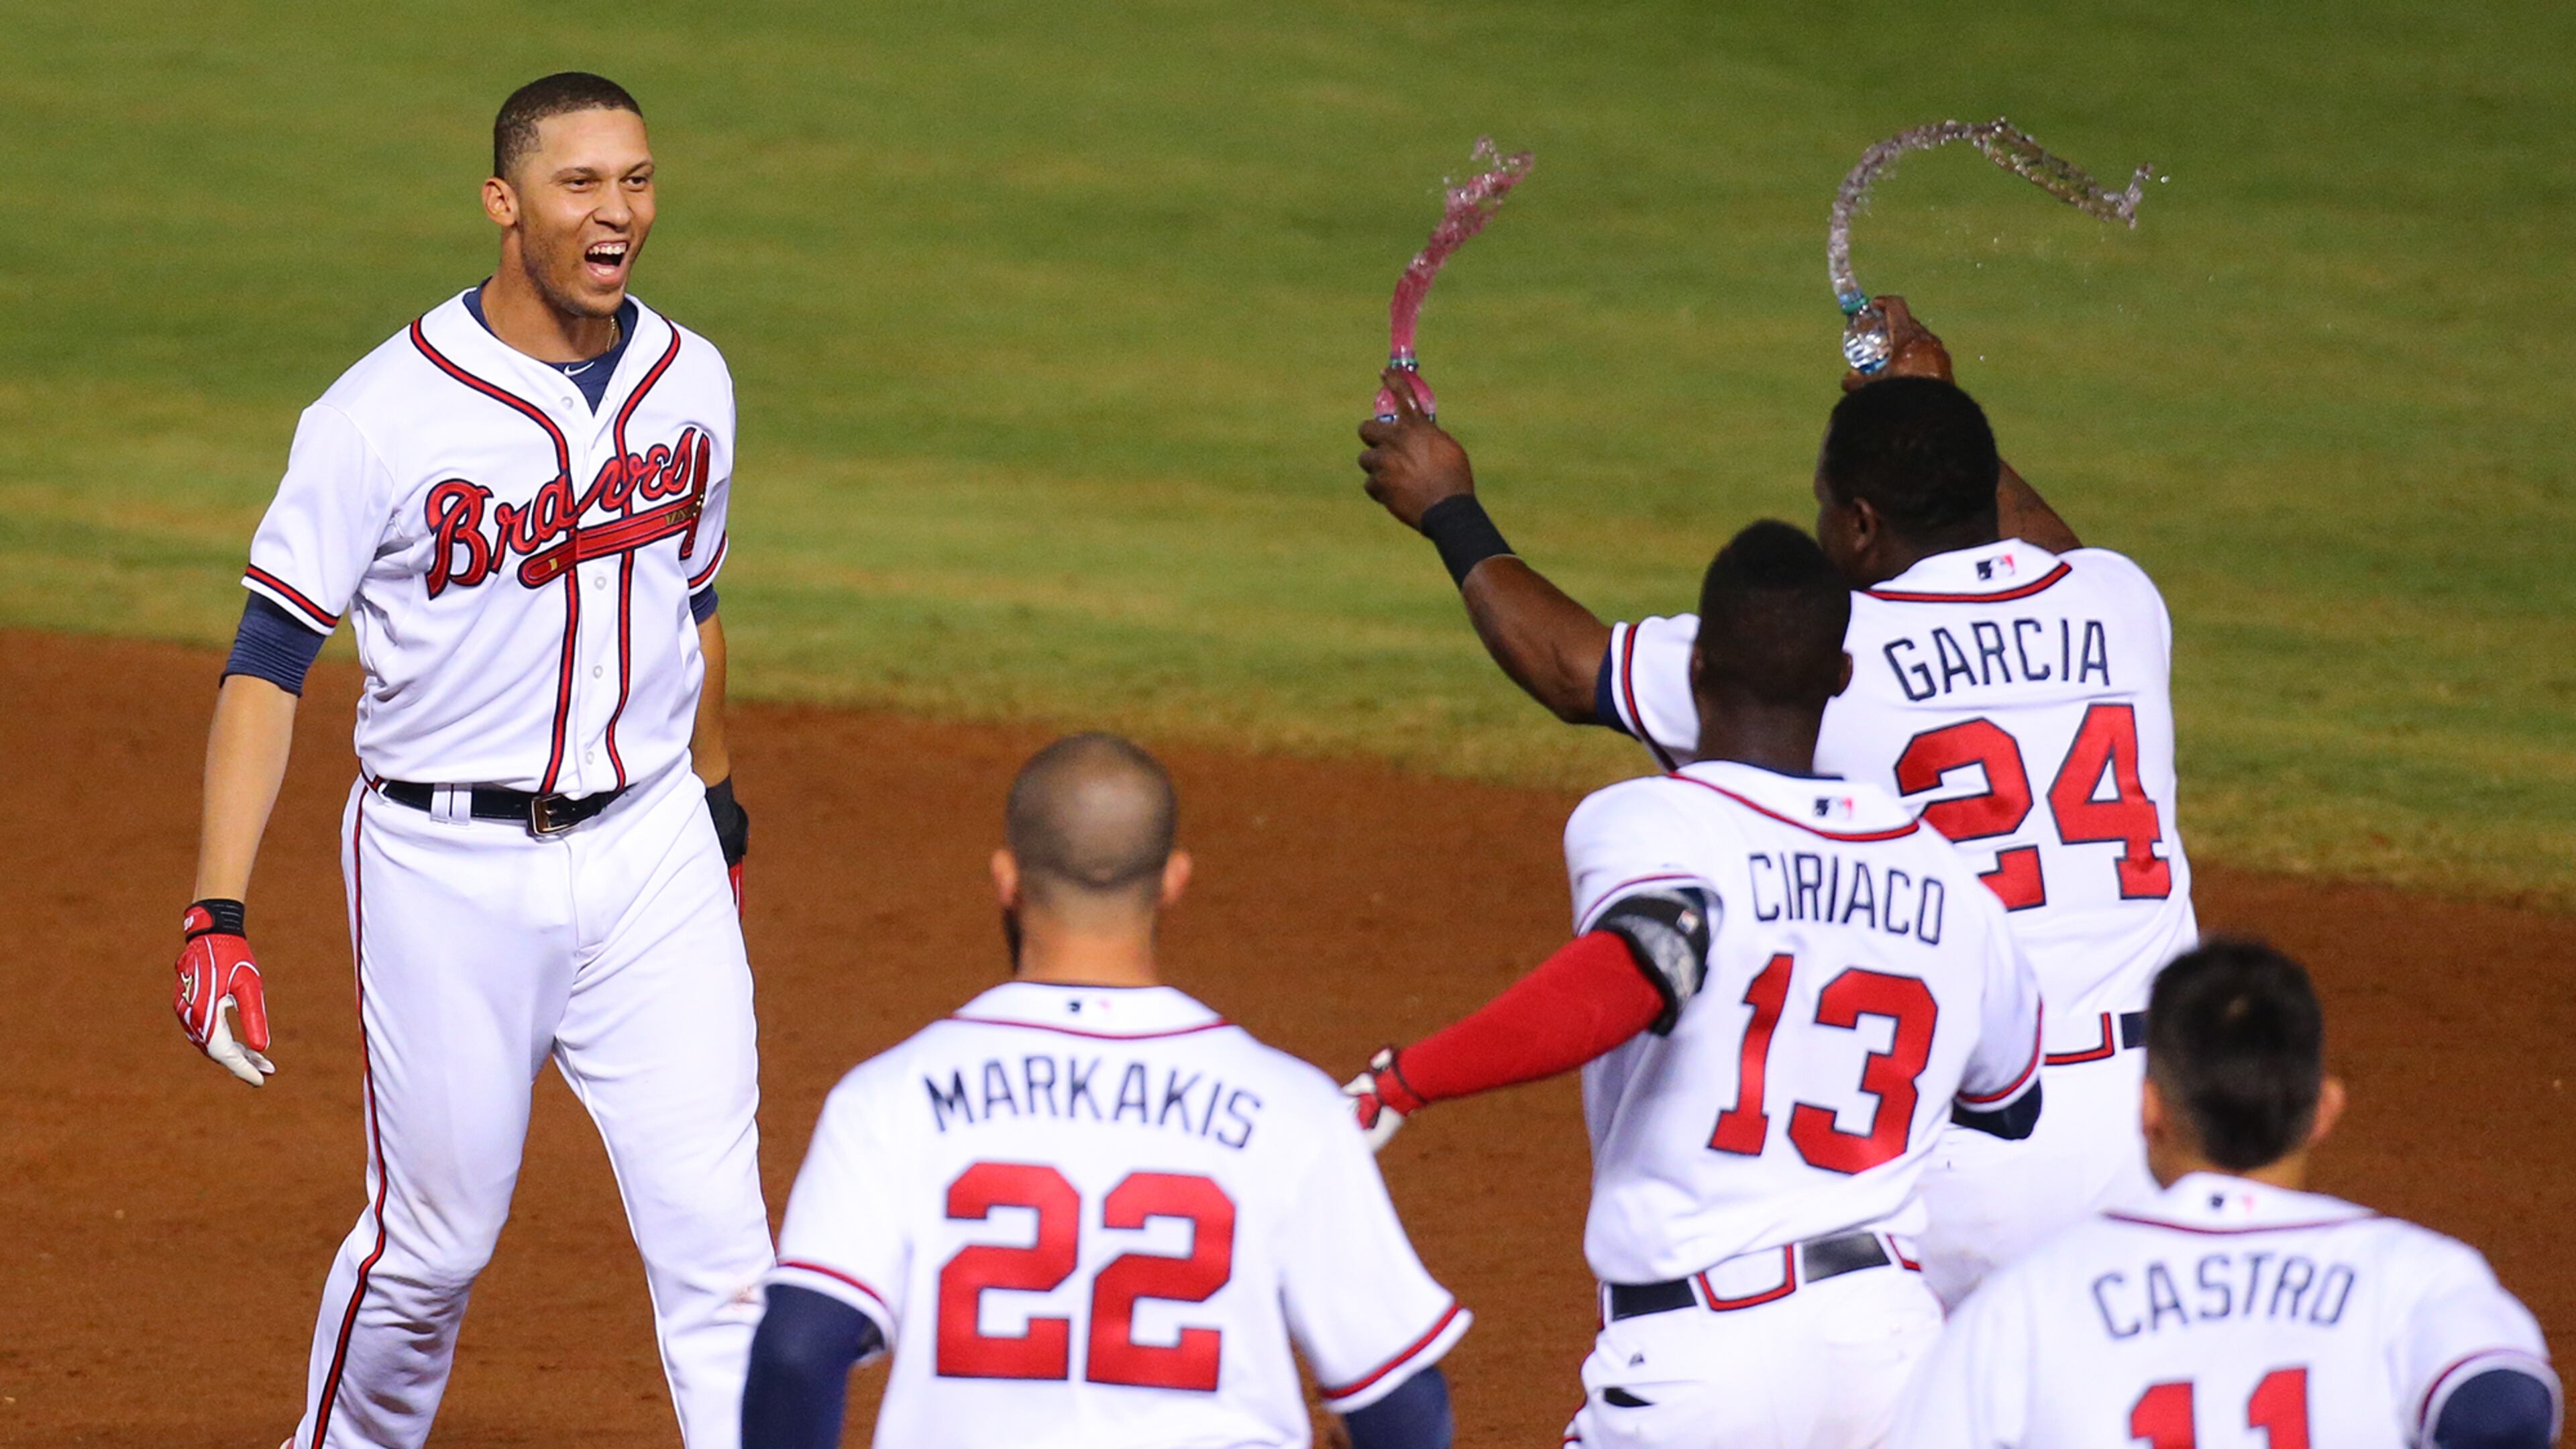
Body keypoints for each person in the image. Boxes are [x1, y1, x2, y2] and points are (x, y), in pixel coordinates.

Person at [1354, 299, 2194, 1304]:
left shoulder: (1835, 660)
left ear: (1863, 524)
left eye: (1828, 504)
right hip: (2158, 1129)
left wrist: (1448, 508)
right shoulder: (2121, 601)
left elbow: (1573, 670)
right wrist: (1928, 402)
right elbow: (2036, 548)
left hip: (1968, 1138)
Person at [167, 73, 766, 1448]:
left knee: (727, 1258)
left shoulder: (696, 383)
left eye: (637, 180)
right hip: (447, 866)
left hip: (651, 850)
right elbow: (269, 660)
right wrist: (219, 911)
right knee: (431, 1255)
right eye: (580, 184)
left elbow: (696, 606)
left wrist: (720, 819)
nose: (616, 212)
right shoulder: (379, 416)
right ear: (505, 204)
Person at [1344, 524, 2043, 1449]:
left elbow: (1644, 962)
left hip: (1699, 1363)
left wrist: (1407, 1078)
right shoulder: (1956, 887)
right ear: (1840, 676)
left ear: (1697, 665)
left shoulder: (1649, 819)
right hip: (1891, 1352)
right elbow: (2005, 1105)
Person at [743, 734, 1466, 1449]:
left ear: (1006, 877)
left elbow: (798, 1349)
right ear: (1174, 879)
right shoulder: (1291, 1109)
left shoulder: (889, 1098)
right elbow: (1401, 1402)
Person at [1892, 938, 2561, 1449]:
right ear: (2323, 1111)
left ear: (2149, 1109)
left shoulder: (2027, 1302)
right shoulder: (2415, 1277)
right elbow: (2506, 1408)